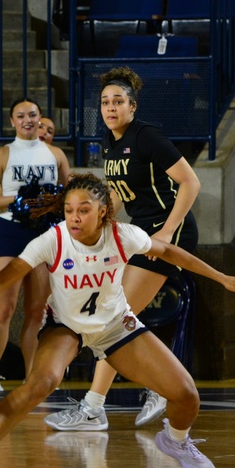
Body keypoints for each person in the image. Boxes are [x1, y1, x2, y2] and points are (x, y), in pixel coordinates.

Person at [0, 173, 235, 468]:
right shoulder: (52, 240)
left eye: (83, 210)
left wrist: (224, 278)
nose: (74, 218)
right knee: (42, 383)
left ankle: (176, 441)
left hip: (115, 326)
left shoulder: (123, 235)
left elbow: (169, 252)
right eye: (69, 210)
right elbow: (3, 278)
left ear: (102, 212)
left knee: (187, 396)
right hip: (67, 328)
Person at [44, 67, 202, 431]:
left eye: (118, 101)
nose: (110, 107)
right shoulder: (110, 141)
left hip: (168, 231)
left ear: (133, 106)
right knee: (110, 314)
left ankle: (108, 402)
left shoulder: (147, 136)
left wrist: (166, 231)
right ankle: (110, 401)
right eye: (105, 102)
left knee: (114, 316)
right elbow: (118, 192)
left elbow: (190, 182)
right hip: (141, 230)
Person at [0, 98, 70, 391]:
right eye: (21, 116)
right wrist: (18, 199)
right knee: (4, 307)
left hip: (44, 234)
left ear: (40, 118)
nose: (27, 120)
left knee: (36, 311)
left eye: (32, 115)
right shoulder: (2, 155)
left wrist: (53, 200)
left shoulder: (56, 155)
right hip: (10, 232)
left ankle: (32, 376)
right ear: (12, 121)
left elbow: (69, 198)